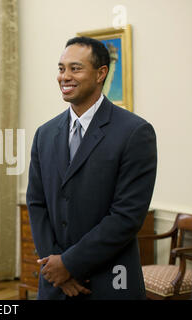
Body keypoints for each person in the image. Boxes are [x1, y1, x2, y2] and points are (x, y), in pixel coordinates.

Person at [26, 37, 157, 300]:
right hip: (55, 286)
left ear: (101, 74)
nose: (65, 76)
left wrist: (69, 264)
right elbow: (36, 203)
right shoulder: (45, 134)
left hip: (110, 282)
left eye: (75, 68)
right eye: (61, 68)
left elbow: (126, 217)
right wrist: (56, 270)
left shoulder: (134, 133)